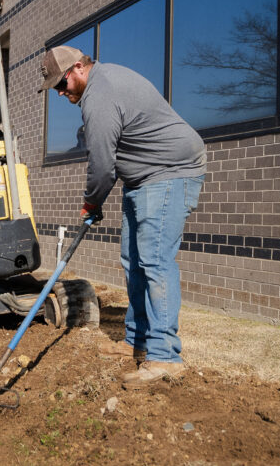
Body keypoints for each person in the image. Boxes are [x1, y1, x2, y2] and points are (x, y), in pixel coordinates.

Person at [38, 45, 206, 390]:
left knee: (155, 261)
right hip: (142, 178)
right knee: (133, 260)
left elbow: (101, 164)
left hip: (169, 173)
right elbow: (111, 162)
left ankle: (165, 357)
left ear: (79, 68)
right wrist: (97, 201)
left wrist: (90, 203)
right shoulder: (100, 85)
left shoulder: (101, 94)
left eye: (61, 84)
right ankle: (137, 340)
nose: (59, 92)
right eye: (54, 87)